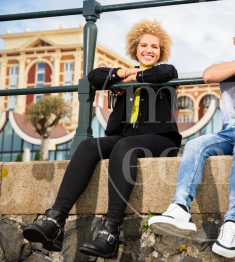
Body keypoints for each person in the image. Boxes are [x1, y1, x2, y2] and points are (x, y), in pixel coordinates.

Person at [22, 19, 181, 259]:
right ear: (135, 48)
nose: (149, 50)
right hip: (124, 136)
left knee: (124, 146)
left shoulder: (166, 72)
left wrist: (129, 79)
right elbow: (94, 77)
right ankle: (54, 221)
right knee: (88, 145)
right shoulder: (123, 74)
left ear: (161, 52)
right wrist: (123, 74)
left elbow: (161, 73)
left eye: (155, 47)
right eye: (144, 45)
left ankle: (110, 232)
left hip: (159, 138)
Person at [148, 14, 235, 258]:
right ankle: (180, 207)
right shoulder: (224, 66)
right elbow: (208, 75)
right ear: (234, 41)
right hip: (228, 133)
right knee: (195, 144)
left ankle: (232, 224)